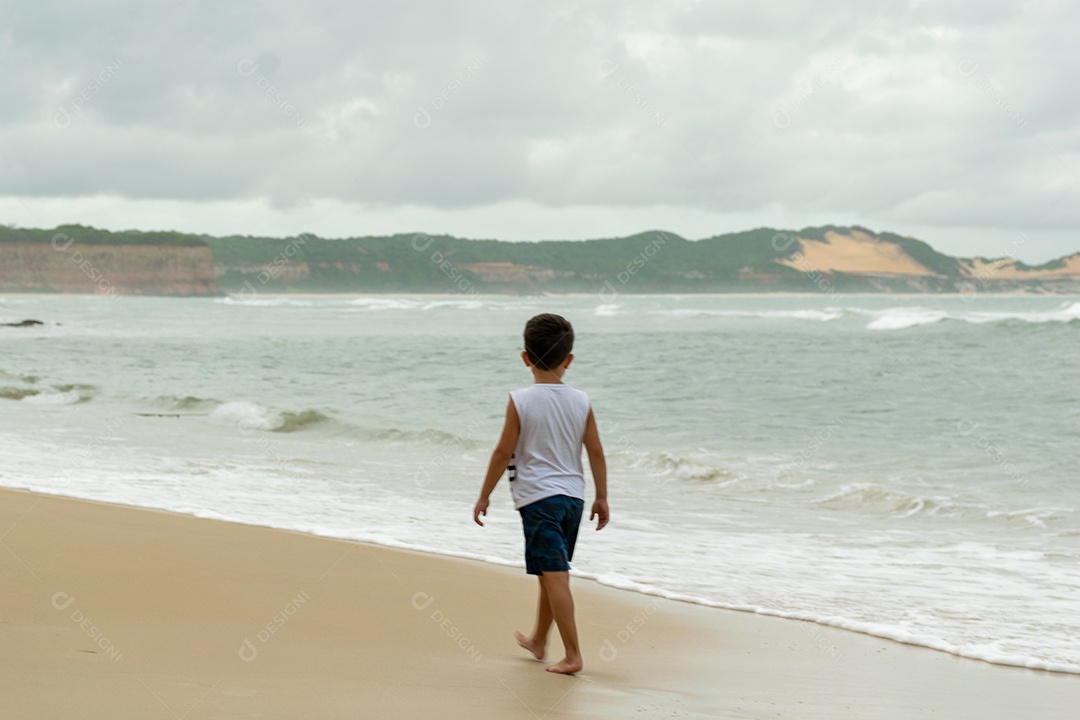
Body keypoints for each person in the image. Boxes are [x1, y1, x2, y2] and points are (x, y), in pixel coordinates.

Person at [473, 313, 609, 675]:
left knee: (555, 574)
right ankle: (538, 639)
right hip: (573, 500)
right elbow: (595, 451)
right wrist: (602, 496)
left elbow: (503, 452)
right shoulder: (582, 400)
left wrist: (484, 495)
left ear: (525, 357)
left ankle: (573, 655)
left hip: (538, 499)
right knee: (551, 572)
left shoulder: (521, 400)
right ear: (569, 360)